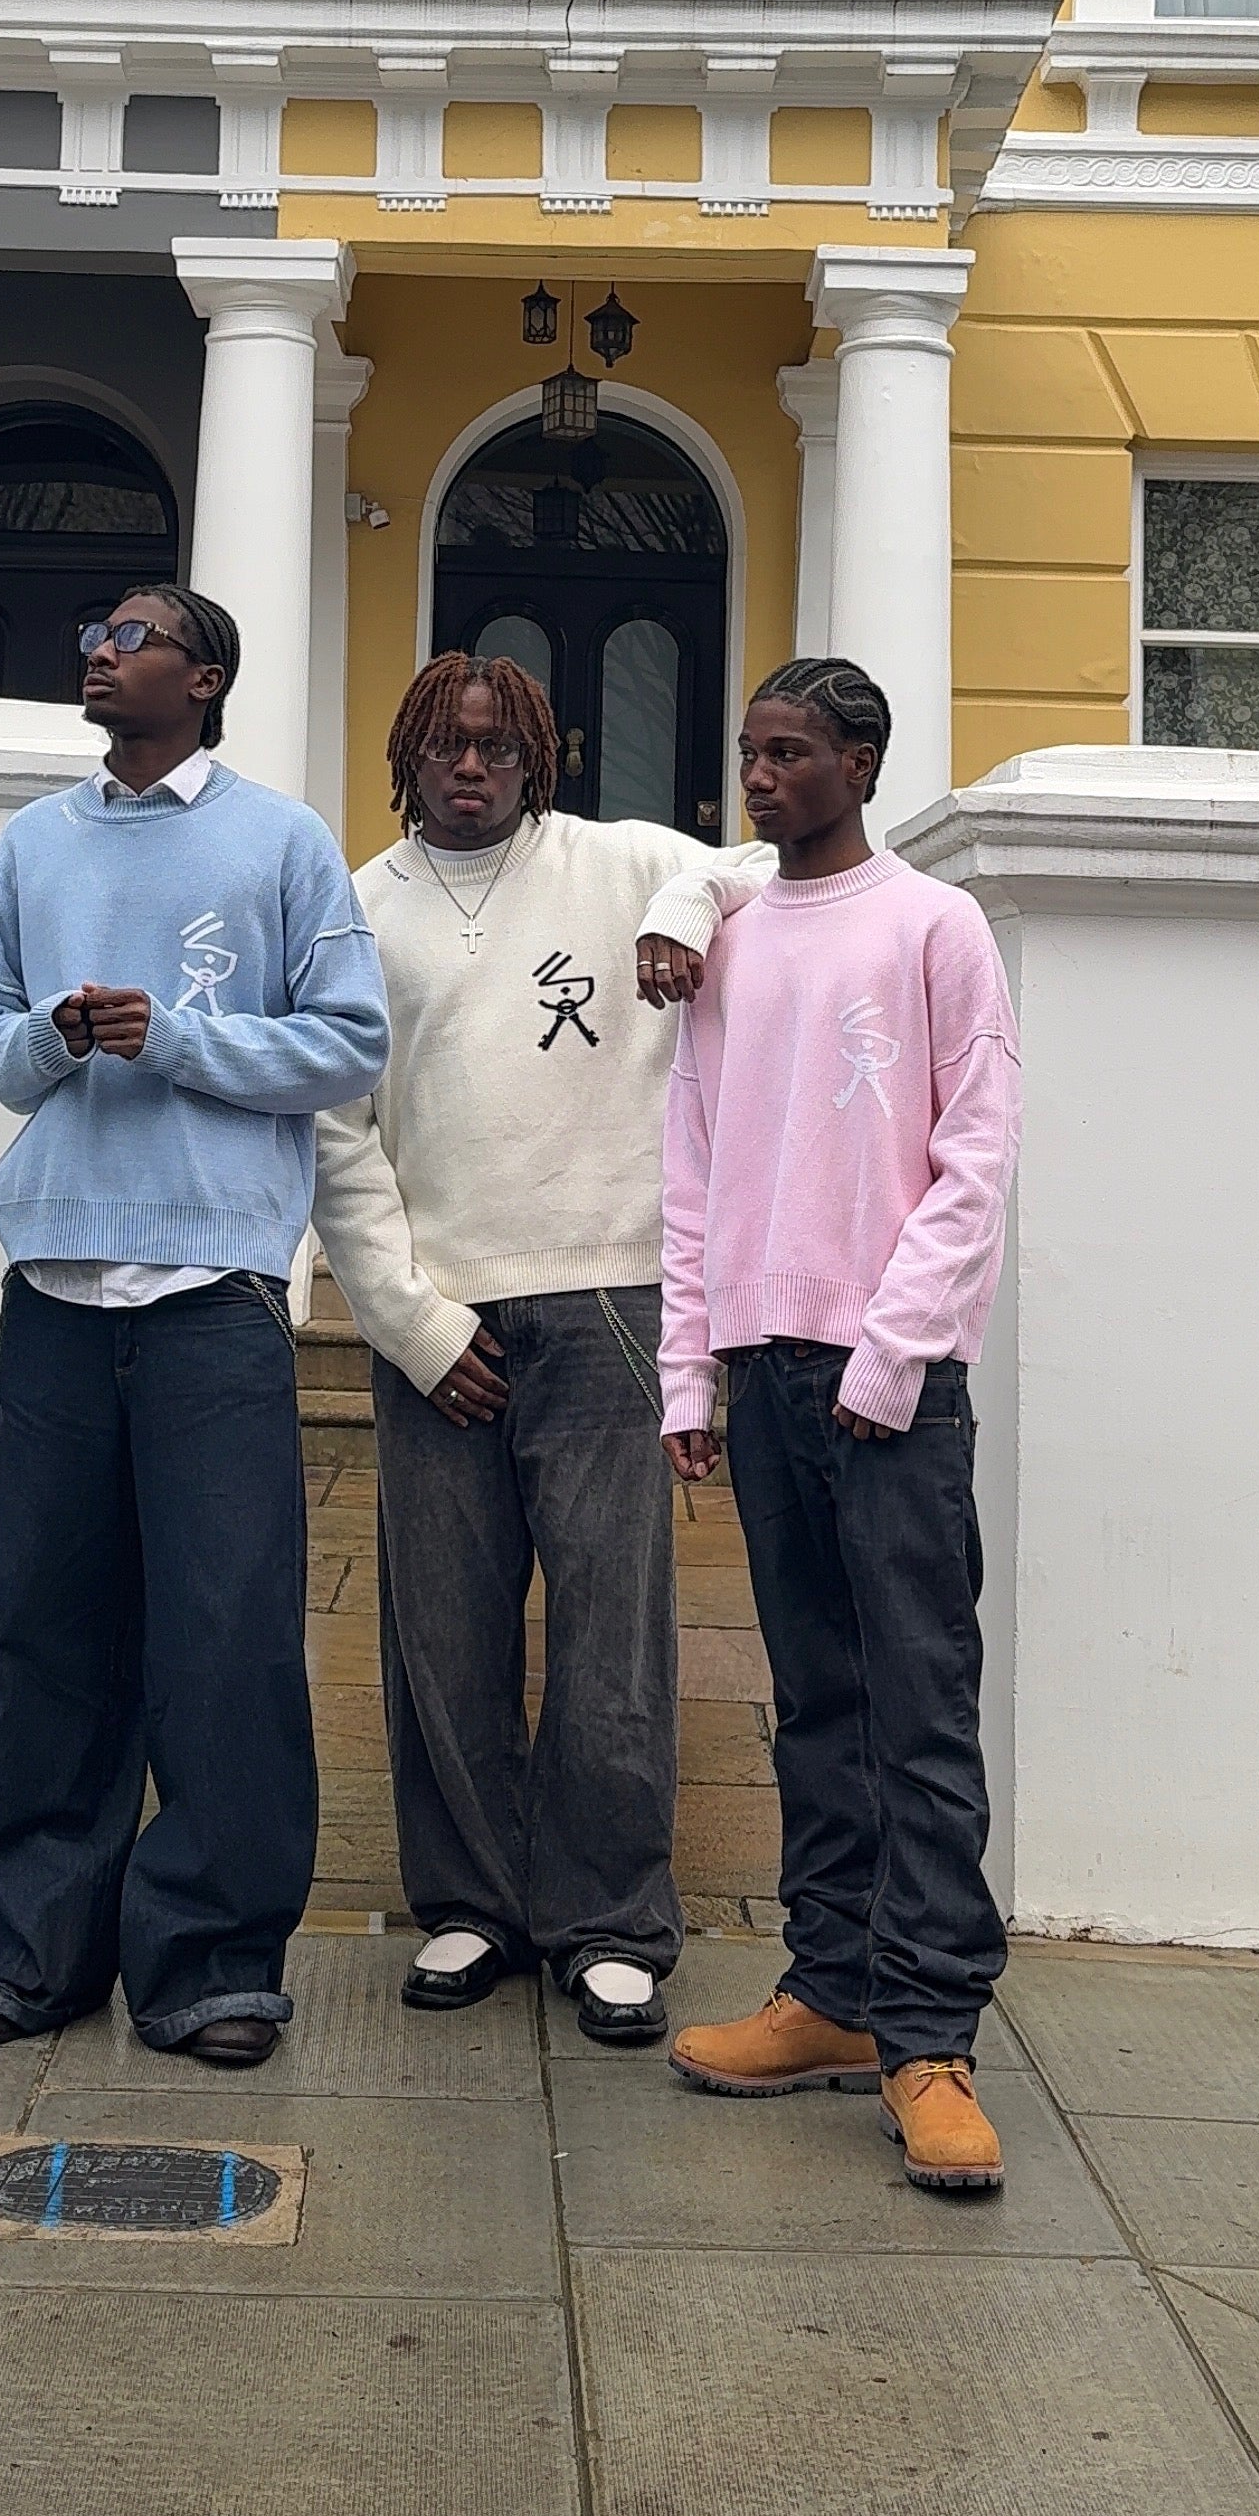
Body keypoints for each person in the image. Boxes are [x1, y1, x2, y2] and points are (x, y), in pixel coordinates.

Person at [0, 582, 389, 2069]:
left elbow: (350, 1042)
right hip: (55, 1280)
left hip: (215, 1291)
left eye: (128, 636)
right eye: (93, 634)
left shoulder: (282, 842)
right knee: (47, 1629)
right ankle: (18, 1951)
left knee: (226, 1632)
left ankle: (211, 1964)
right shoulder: (35, 843)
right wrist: (55, 1036)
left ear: (203, 677)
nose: (96, 651)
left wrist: (173, 1036)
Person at [312, 651, 767, 2044]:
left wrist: (685, 908)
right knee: (441, 1624)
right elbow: (335, 1128)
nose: (473, 768)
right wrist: (405, 1317)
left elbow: (767, 868)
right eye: (448, 746)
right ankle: (469, 1902)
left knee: (611, 1626)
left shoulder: (624, 862)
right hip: (440, 1319)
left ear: (539, 758)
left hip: (611, 1298)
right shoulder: (357, 908)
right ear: (408, 753)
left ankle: (610, 1920)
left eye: (500, 748)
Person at [659, 656, 1021, 2192]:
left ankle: (930, 2037)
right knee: (811, 1698)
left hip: (893, 1390)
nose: (760, 777)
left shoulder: (935, 926)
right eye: (751, 752)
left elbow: (977, 1156)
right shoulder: (732, 938)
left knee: (917, 1710)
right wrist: (690, 1366)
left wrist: (894, 1354)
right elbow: (693, 1157)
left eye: (790, 753)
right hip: (764, 1371)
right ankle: (831, 1989)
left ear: (861, 764)